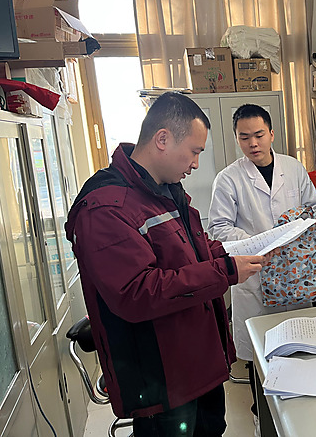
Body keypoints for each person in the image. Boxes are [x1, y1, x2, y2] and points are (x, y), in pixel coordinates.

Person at [65, 92, 269, 437]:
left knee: (210, 428)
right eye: (194, 151)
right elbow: (137, 292)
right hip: (162, 378)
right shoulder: (107, 207)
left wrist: (233, 253)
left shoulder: (164, 190)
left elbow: (190, 250)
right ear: (162, 139)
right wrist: (225, 271)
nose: (196, 164)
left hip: (196, 363)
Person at [207, 103, 316, 422]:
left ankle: (298, 416)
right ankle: (262, 416)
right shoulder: (228, 179)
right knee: (261, 356)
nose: (252, 143)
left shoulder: (293, 168)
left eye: (258, 135)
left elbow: (315, 210)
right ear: (236, 138)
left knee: (299, 349)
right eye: (244, 137)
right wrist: (264, 239)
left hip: (297, 276)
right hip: (255, 276)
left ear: (271, 133)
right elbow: (218, 228)